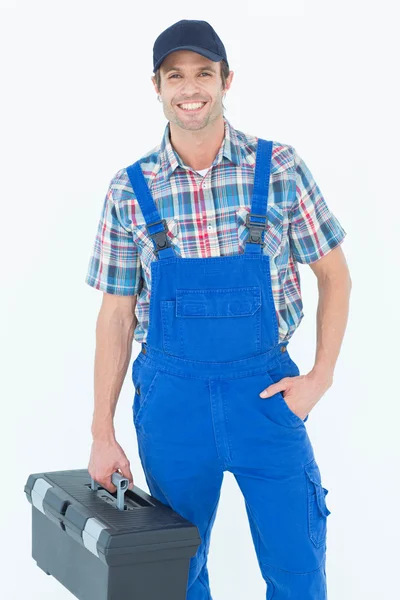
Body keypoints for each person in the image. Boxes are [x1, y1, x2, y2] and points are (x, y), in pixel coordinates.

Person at [86, 19, 351, 600]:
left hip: (267, 402)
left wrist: (320, 377)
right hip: (171, 408)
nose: (190, 88)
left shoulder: (277, 167)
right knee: (175, 574)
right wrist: (102, 432)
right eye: (174, 75)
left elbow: (333, 273)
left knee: (299, 569)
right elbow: (115, 314)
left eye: (203, 73)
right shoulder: (129, 190)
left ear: (227, 80)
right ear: (155, 86)